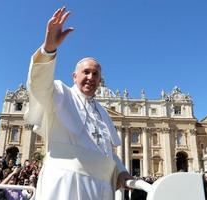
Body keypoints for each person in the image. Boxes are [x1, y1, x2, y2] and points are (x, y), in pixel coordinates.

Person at [24, 6, 132, 200]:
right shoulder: (59, 93)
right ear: (74, 76)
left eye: (96, 74)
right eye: (86, 72)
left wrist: (122, 170)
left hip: (102, 188)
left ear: (100, 80)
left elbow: (105, 151)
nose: (91, 77)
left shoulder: (102, 112)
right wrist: (48, 49)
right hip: (65, 183)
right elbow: (38, 83)